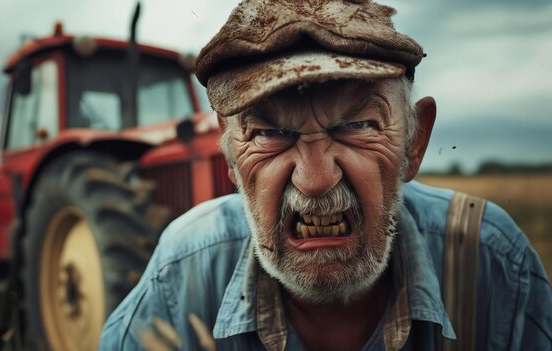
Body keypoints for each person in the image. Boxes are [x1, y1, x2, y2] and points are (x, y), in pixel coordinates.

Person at [100, 0, 552, 350]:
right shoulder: (185, 275)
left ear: (415, 142)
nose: (315, 181)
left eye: (357, 126)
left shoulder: (490, 264)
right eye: (270, 132)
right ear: (232, 155)